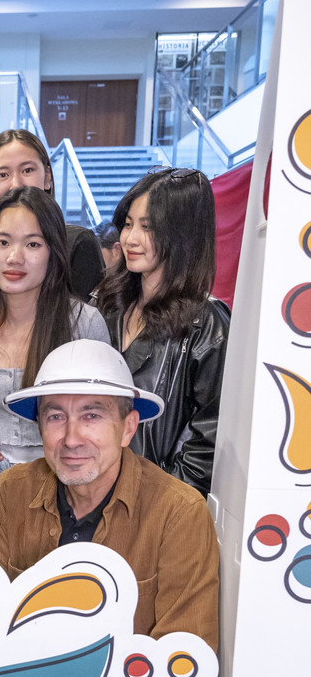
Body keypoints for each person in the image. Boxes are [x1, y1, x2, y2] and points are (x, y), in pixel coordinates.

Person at [0, 339, 219, 650]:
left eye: (91, 416)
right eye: (55, 417)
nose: (71, 439)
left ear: (128, 428)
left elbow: (182, 655)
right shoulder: (12, 492)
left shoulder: (178, 513)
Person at [0, 186, 109, 505]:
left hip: (73, 489)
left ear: (53, 251)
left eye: (33, 244)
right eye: (3, 242)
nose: (14, 257)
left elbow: (104, 424)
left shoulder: (84, 323)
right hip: (1, 487)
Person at [96, 167, 230, 498]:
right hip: (93, 494)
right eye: (128, 224)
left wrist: (159, 503)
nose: (130, 238)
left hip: (158, 505)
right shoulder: (107, 305)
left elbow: (210, 440)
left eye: (148, 227)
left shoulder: (206, 324)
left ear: (182, 234)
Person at [0, 128, 104, 301]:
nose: (16, 184)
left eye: (27, 170)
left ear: (47, 177)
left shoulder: (78, 245)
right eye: (3, 174)